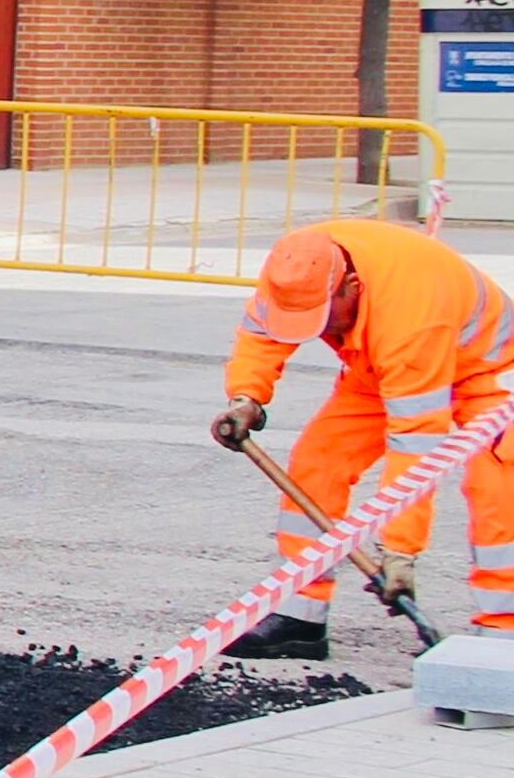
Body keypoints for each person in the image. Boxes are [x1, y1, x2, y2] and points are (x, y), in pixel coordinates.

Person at [212, 215, 514, 659]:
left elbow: (416, 445)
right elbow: (261, 335)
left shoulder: (411, 313)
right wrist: (246, 397)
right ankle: (300, 615)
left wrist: (399, 552)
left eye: (320, 319)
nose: (316, 333)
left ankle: (502, 630)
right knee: (318, 460)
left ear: (351, 286)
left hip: (485, 369)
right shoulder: (293, 269)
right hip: (377, 367)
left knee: (495, 482)